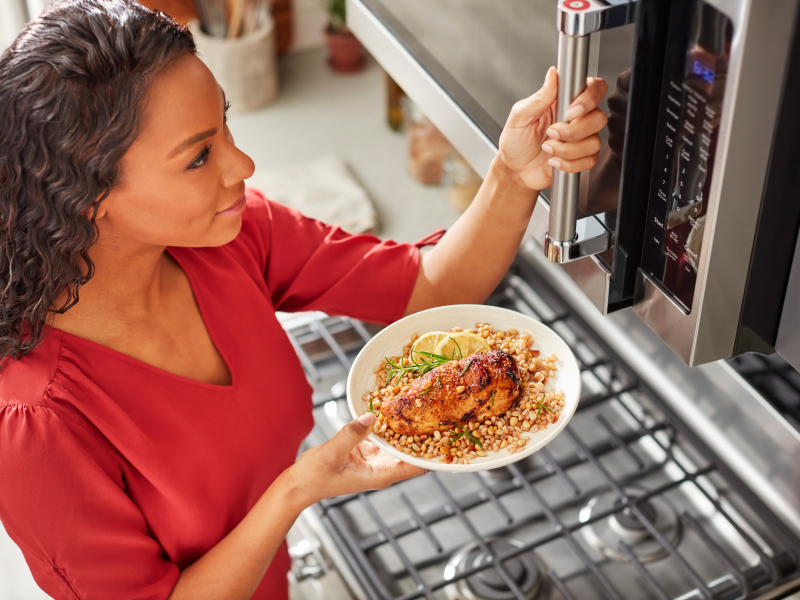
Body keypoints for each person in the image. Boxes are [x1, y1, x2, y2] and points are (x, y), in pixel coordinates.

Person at [0, 1, 608, 598]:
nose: (244, 164)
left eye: (225, 125)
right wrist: (296, 491)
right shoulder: (35, 428)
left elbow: (427, 287)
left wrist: (512, 175)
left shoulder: (228, 237)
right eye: (199, 156)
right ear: (87, 196)